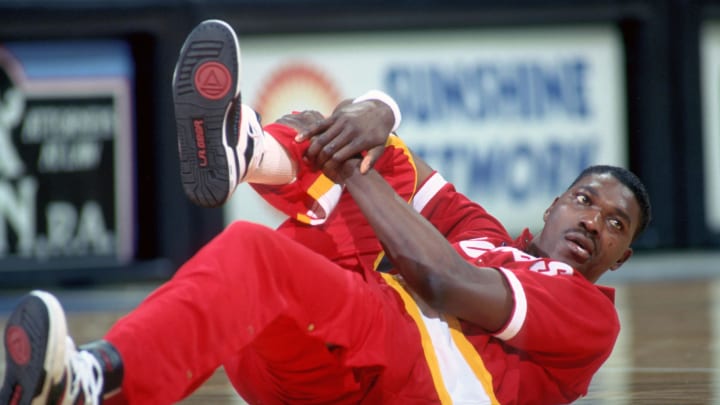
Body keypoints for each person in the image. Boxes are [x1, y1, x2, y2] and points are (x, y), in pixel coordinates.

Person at [0, 19, 652, 405]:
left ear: (621, 257)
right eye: (586, 200)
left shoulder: (588, 313)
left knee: (260, 248)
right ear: (553, 205)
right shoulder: (484, 231)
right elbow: (397, 162)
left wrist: (353, 171)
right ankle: (248, 151)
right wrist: (379, 109)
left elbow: (442, 281)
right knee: (376, 159)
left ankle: (91, 376)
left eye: (615, 224)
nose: (594, 221)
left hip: (406, 379)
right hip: (331, 356)